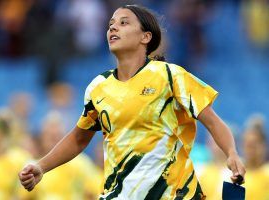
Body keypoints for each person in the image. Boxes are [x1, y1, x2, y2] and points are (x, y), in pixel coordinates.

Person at [19, 4, 246, 200]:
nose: (113, 28)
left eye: (124, 23)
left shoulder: (170, 76)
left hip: (172, 193)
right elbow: (78, 139)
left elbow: (213, 122)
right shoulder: (98, 87)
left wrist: (231, 153)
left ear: (145, 37)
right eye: (110, 24)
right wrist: (41, 166)